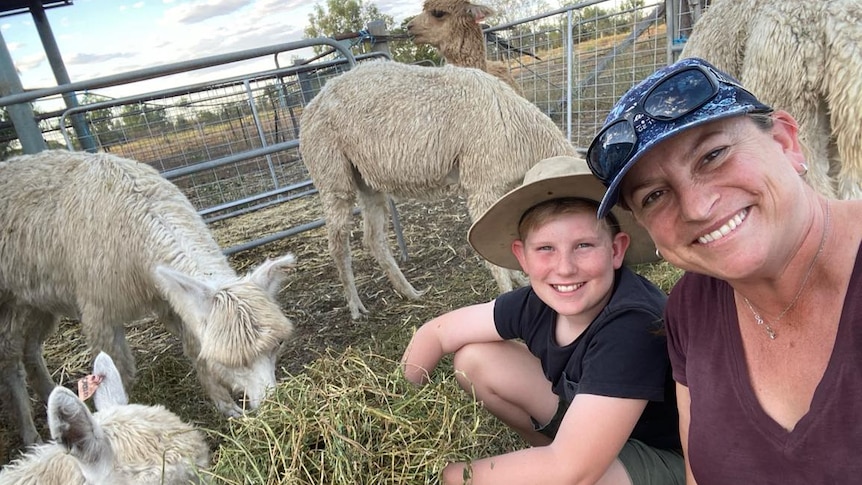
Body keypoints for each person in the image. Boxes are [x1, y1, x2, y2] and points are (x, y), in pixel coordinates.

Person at [586, 56, 862, 484]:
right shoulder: (689, 310)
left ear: (786, 142)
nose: (696, 207)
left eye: (713, 155)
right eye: (655, 195)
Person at [400, 155, 684, 485]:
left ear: (616, 250)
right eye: (546, 248)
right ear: (522, 257)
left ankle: (549, 467)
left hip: (669, 459)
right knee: (475, 359)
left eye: (583, 245)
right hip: (590, 430)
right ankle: (545, 457)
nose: (564, 268)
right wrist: (396, 415)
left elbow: (573, 469)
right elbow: (437, 332)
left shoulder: (633, 323)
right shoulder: (537, 302)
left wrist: (439, 476)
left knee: (578, 474)